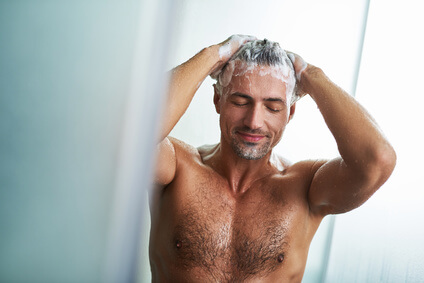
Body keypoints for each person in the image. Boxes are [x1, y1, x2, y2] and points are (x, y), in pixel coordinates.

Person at [150, 35, 396, 282]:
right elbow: (133, 131)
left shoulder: (305, 189)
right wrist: (213, 55)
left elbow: (378, 160)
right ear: (218, 99)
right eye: (240, 101)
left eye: (273, 107)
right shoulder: (177, 169)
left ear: (290, 113)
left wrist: (311, 75)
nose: (254, 122)